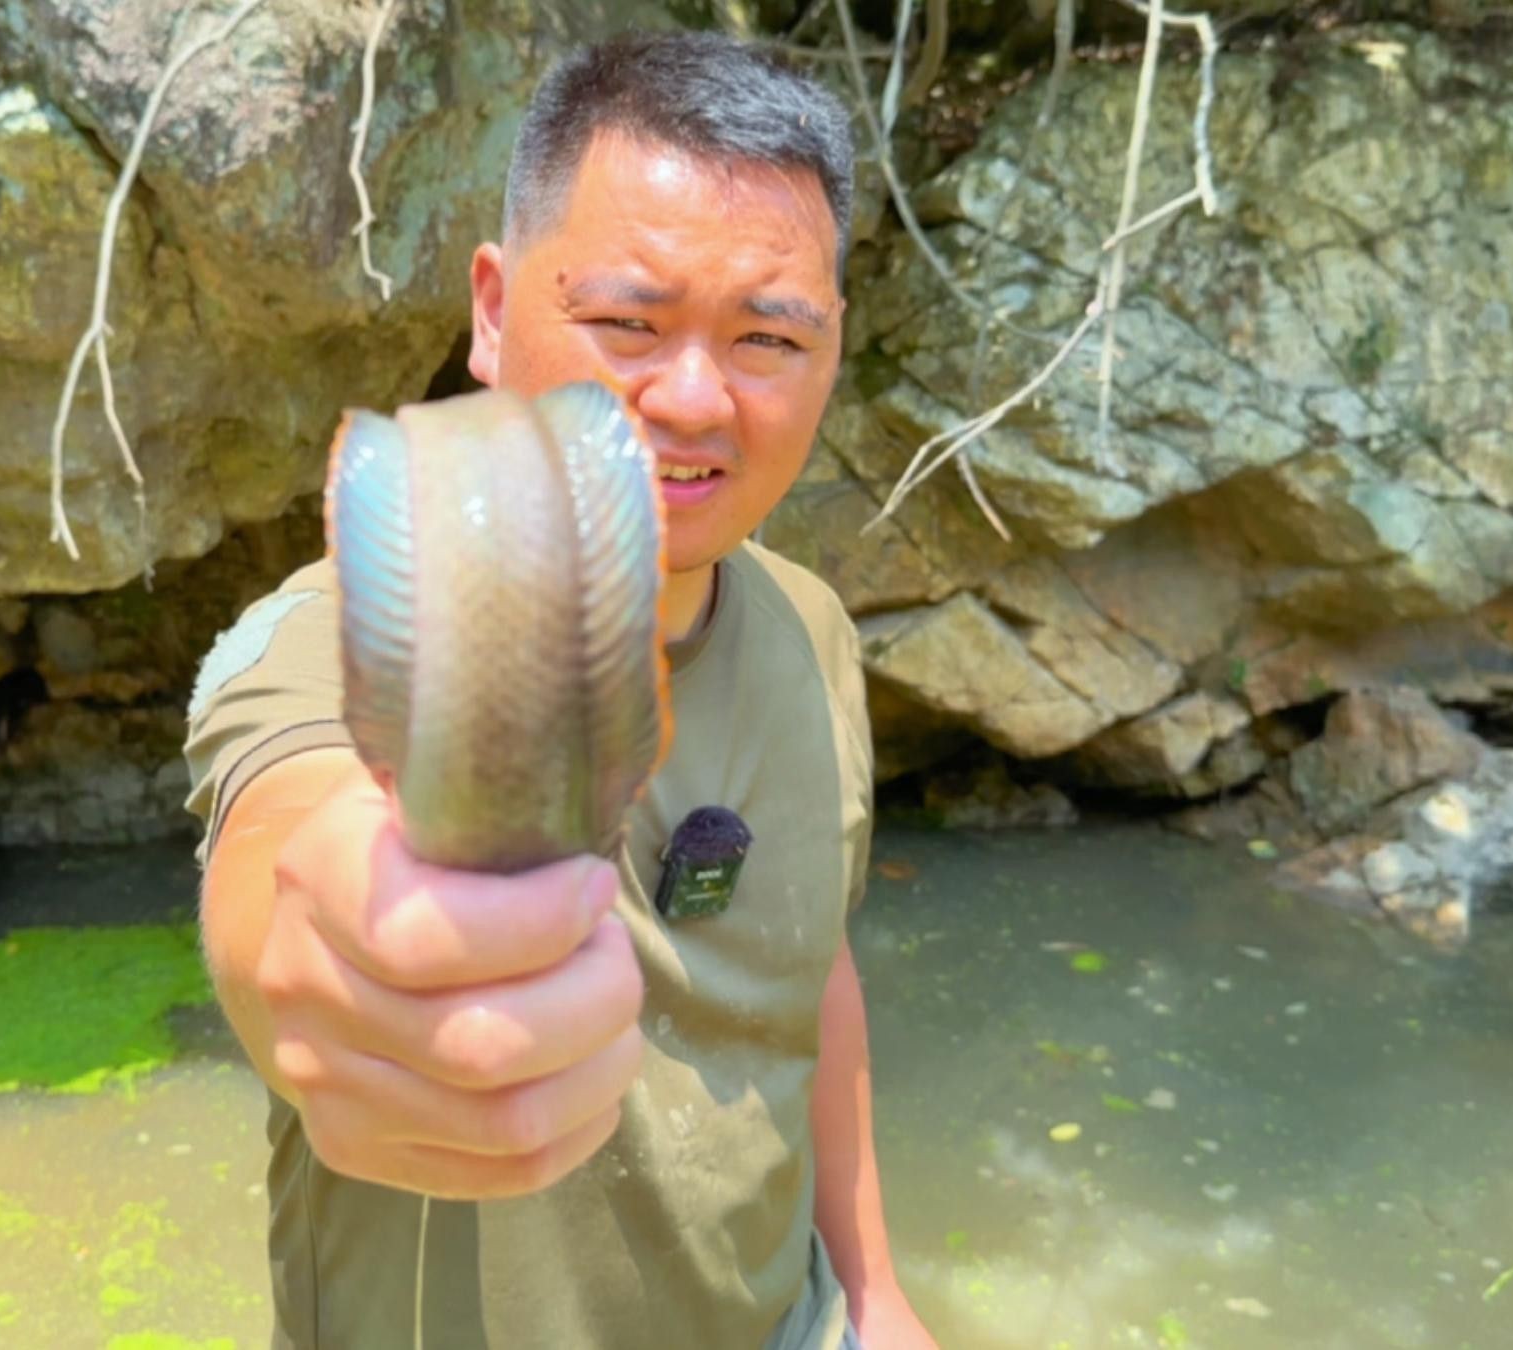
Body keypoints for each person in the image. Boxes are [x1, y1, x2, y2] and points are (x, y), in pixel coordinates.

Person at [182, 28, 931, 1350]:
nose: (695, 397)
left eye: (767, 335)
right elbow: (284, 870)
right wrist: (339, 969)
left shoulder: (812, 628)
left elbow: (807, 965)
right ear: (491, 309)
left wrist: (872, 1292)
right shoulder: (339, 638)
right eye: (629, 323)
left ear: (831, 351)